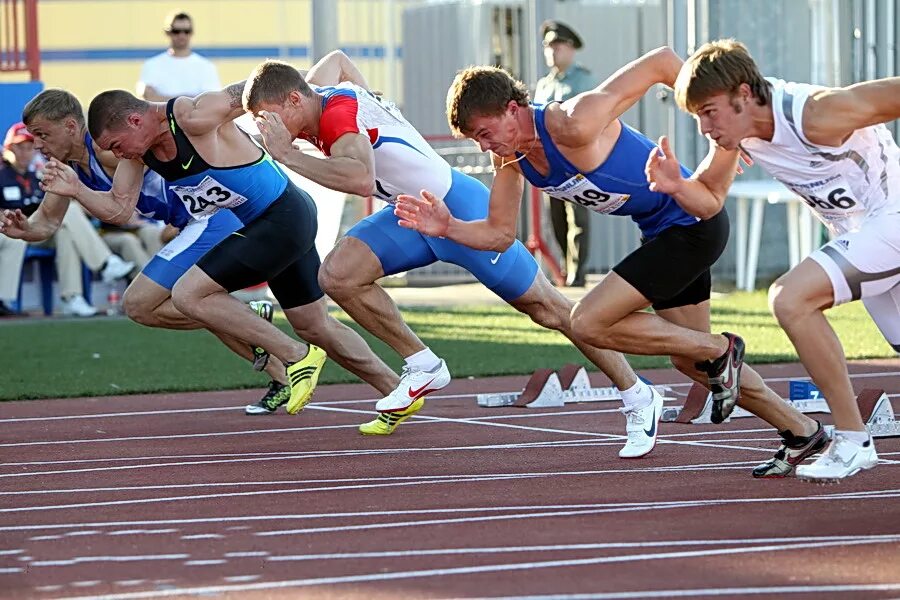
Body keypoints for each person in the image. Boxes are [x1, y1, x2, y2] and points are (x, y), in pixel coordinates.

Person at [396, 48, 827, 477]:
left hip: (692, 223)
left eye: (485, 132)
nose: (485, 146)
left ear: (512, 109)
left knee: (587, 322)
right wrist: (448, 226)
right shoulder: (511, 157)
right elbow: (499, 234)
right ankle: (800, 430)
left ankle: (721, 349)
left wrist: (730, 130)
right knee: (690, 361)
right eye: (476, 140)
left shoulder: (573, 120)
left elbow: (662, 62)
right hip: (663, 232)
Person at [242, 52, 666, 454]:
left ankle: (637, 394)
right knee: (338, 275)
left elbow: (357, 177)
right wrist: (371, 100)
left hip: (459, 209)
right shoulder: (316, 97)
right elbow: (337, 60)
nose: (270, 131)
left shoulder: (335, 114)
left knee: (550, 311)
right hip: (412, 216)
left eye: (271, 120)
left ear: (295, 99)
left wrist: (286, 154)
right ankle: (423, 363)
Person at [35, 82, 399, 414]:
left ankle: (296, 356)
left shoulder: (192, 114)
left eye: (116, 145)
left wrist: (331, 93)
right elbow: (119, 209)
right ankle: (397, 392)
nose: (117, 155)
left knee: (190, 294)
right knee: (315, 324)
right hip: (265, 225)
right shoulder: (137, 153)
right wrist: (77, 190)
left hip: (281, 215)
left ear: (134, 120)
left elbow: (260, 86)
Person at [648, 38, 900, 480]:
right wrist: (675, 187)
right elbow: (708, 199)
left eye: (709, 112)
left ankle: (853, 439)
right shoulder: (738, 132)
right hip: (862, 235)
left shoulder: (816, 114)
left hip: (891, 219)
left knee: (790, 298)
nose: (705, 128)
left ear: (744, 94)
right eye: (698, 117)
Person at [0, 90, 292, 411]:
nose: (38, 144)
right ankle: (280, 376)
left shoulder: (108, 150)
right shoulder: (67, 166)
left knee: (140, 304)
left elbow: (120, 212)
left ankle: (252, 323)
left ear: (71, 126)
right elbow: (47, 223)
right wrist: (23, 230)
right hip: (194, 223)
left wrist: (78, 189)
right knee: (200, 307)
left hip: (211, 219)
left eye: (42, 135)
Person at [0, 122, 134, 317]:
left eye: (29, 147)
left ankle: (72, 298)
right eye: (20, 147)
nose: (25, 152)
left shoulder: (38, 175)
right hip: (13, 229)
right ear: (9, 148)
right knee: (68, 216)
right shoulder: (2, 176)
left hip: (40, 228)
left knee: (66, 229)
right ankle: (105, 264)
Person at [534, 20, 599, 287]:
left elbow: (591, 116)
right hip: (550, 162)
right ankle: (565, 263)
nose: (551, 51)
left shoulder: (584, 79)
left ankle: (577, 271)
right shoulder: (543, 85)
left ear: (571, 49)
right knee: (556, 218)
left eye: (557, 45)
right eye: (547, 46)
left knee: (579, 217)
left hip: (576, 159)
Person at [137, 11, 221, 102]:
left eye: (186, 31)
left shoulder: (207, 66)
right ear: (167, 32)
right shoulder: (151, 65)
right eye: (176, 31)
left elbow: (212, 101)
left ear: (191, 33)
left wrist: (166, 100)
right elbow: (147, 97)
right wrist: (191, 100)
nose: (181, 35)